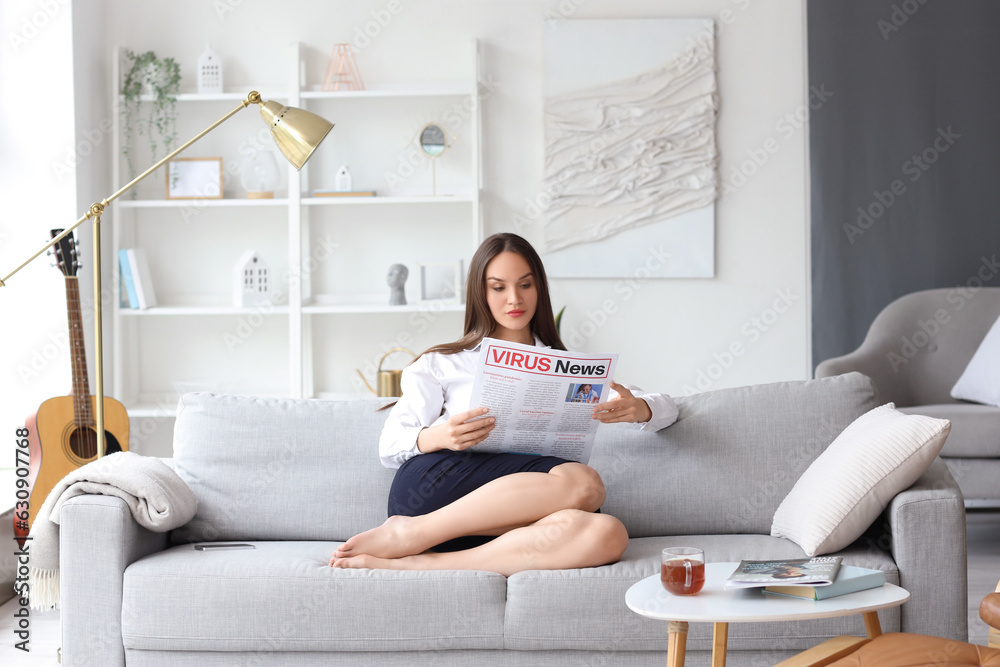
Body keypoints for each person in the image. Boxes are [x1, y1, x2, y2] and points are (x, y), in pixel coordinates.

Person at [330, 233, 679, 575]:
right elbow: (390, 446)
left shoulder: (570, 369)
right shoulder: (444, 364)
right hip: (438, 492)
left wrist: (640, 409)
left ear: (539, 289)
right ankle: (409, 533)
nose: (514, 298)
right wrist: (442, 436)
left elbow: (668, 409)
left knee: (608, 533)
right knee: (584, 483)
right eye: (499, 287)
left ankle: (424, 562)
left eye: (525, 285)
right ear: (481, 293)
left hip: (523, 510)